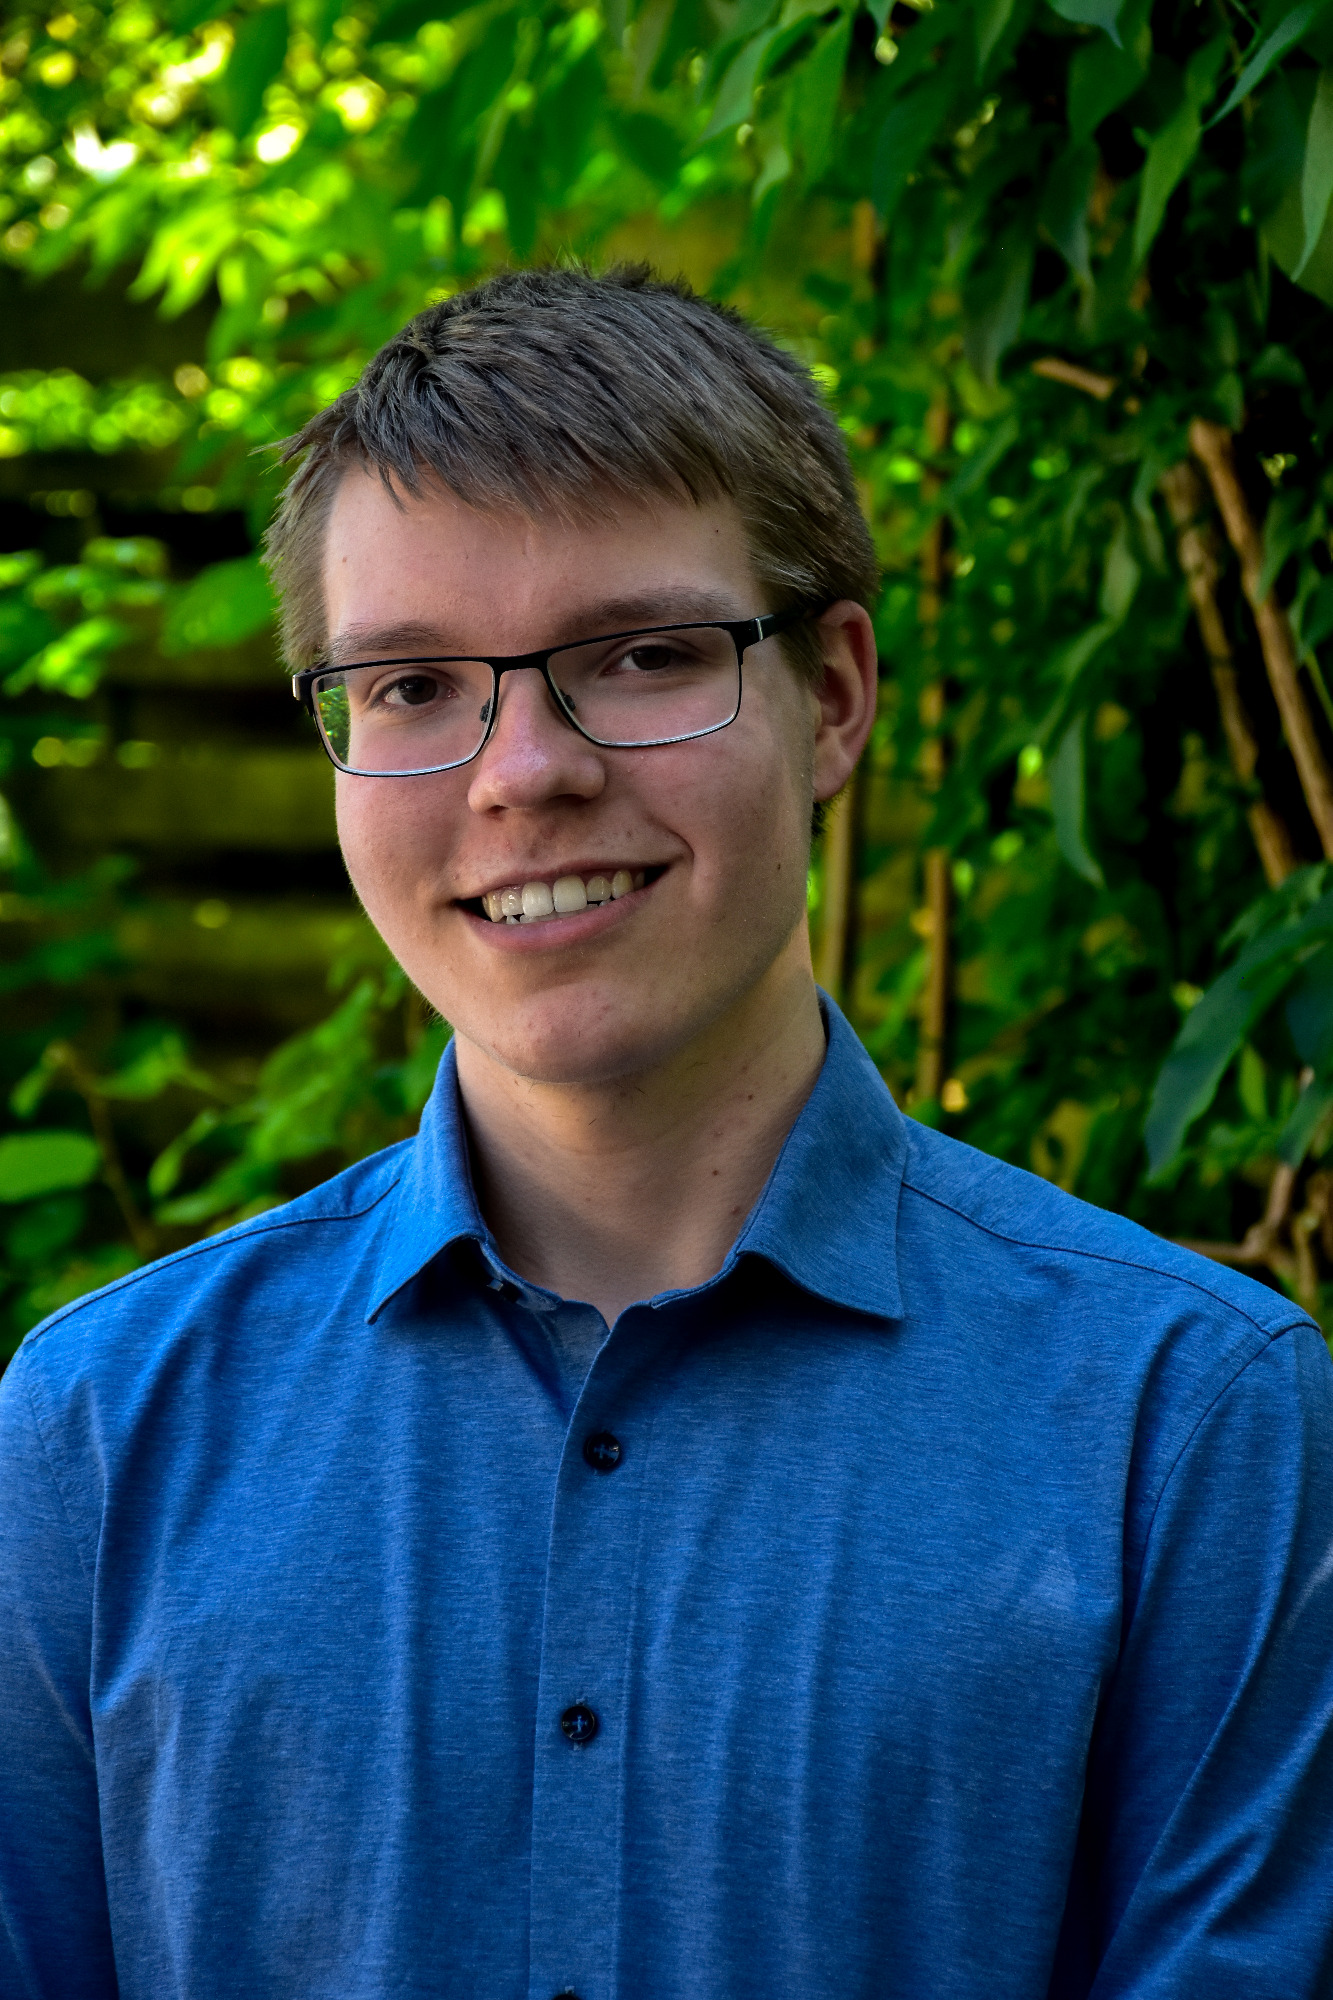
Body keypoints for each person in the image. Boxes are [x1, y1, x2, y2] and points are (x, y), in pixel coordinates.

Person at [1, 265, 1331, 2000]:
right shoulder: (96, 1436)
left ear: (831, 697)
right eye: (410, 686)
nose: (522, 773)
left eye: (638, 657)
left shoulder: (1190, 1424)